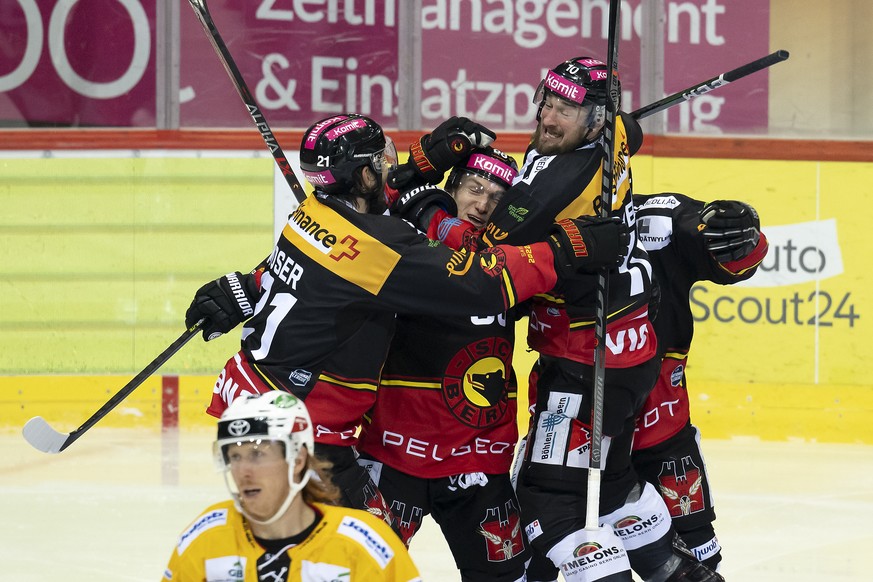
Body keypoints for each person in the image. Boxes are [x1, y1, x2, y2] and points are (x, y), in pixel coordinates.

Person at [184, 114, 629, 526]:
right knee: (368, 554)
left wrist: (244, 287)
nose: (388, 163)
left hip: (252, 397)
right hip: (300, 425)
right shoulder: (380, 247)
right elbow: (478, 281)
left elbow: (324, 261)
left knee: (313, 546)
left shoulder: (311, 213)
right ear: (363, 175)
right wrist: (566, 249)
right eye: (382, 158)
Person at [398, 58, 723, 581]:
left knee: (549, 502)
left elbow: (479, 266)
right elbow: (628, 130)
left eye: (565, 109)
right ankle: (675, 567)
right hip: (627, 353)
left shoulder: (543, 193)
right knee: (613, 485)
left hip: (581, 365)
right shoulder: (612, 135)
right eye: (546, 102)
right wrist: (614, 120)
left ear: (595, 118)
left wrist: (426, 206)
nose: (547, 118)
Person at [356, 147, 531, 581]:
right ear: (450, 189)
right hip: (395, 454)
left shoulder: (511, 258)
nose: (483, 205)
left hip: (477, 458)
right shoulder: (401, 242)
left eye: (496, 198)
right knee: (354, 572)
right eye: (474, 189)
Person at [631, 193, 769, 571]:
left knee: (696, 546)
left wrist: (730, 231)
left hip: (655, 404)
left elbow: (723, 241)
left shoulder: (673, 221)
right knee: (557, 537)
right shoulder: (559, 201)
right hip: (587, 399)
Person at [161, 390, 422, 581]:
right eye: (234, 456)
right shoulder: (205, 538)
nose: (243, 471)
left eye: (257, 454)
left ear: (297, 459)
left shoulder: (365, 544)